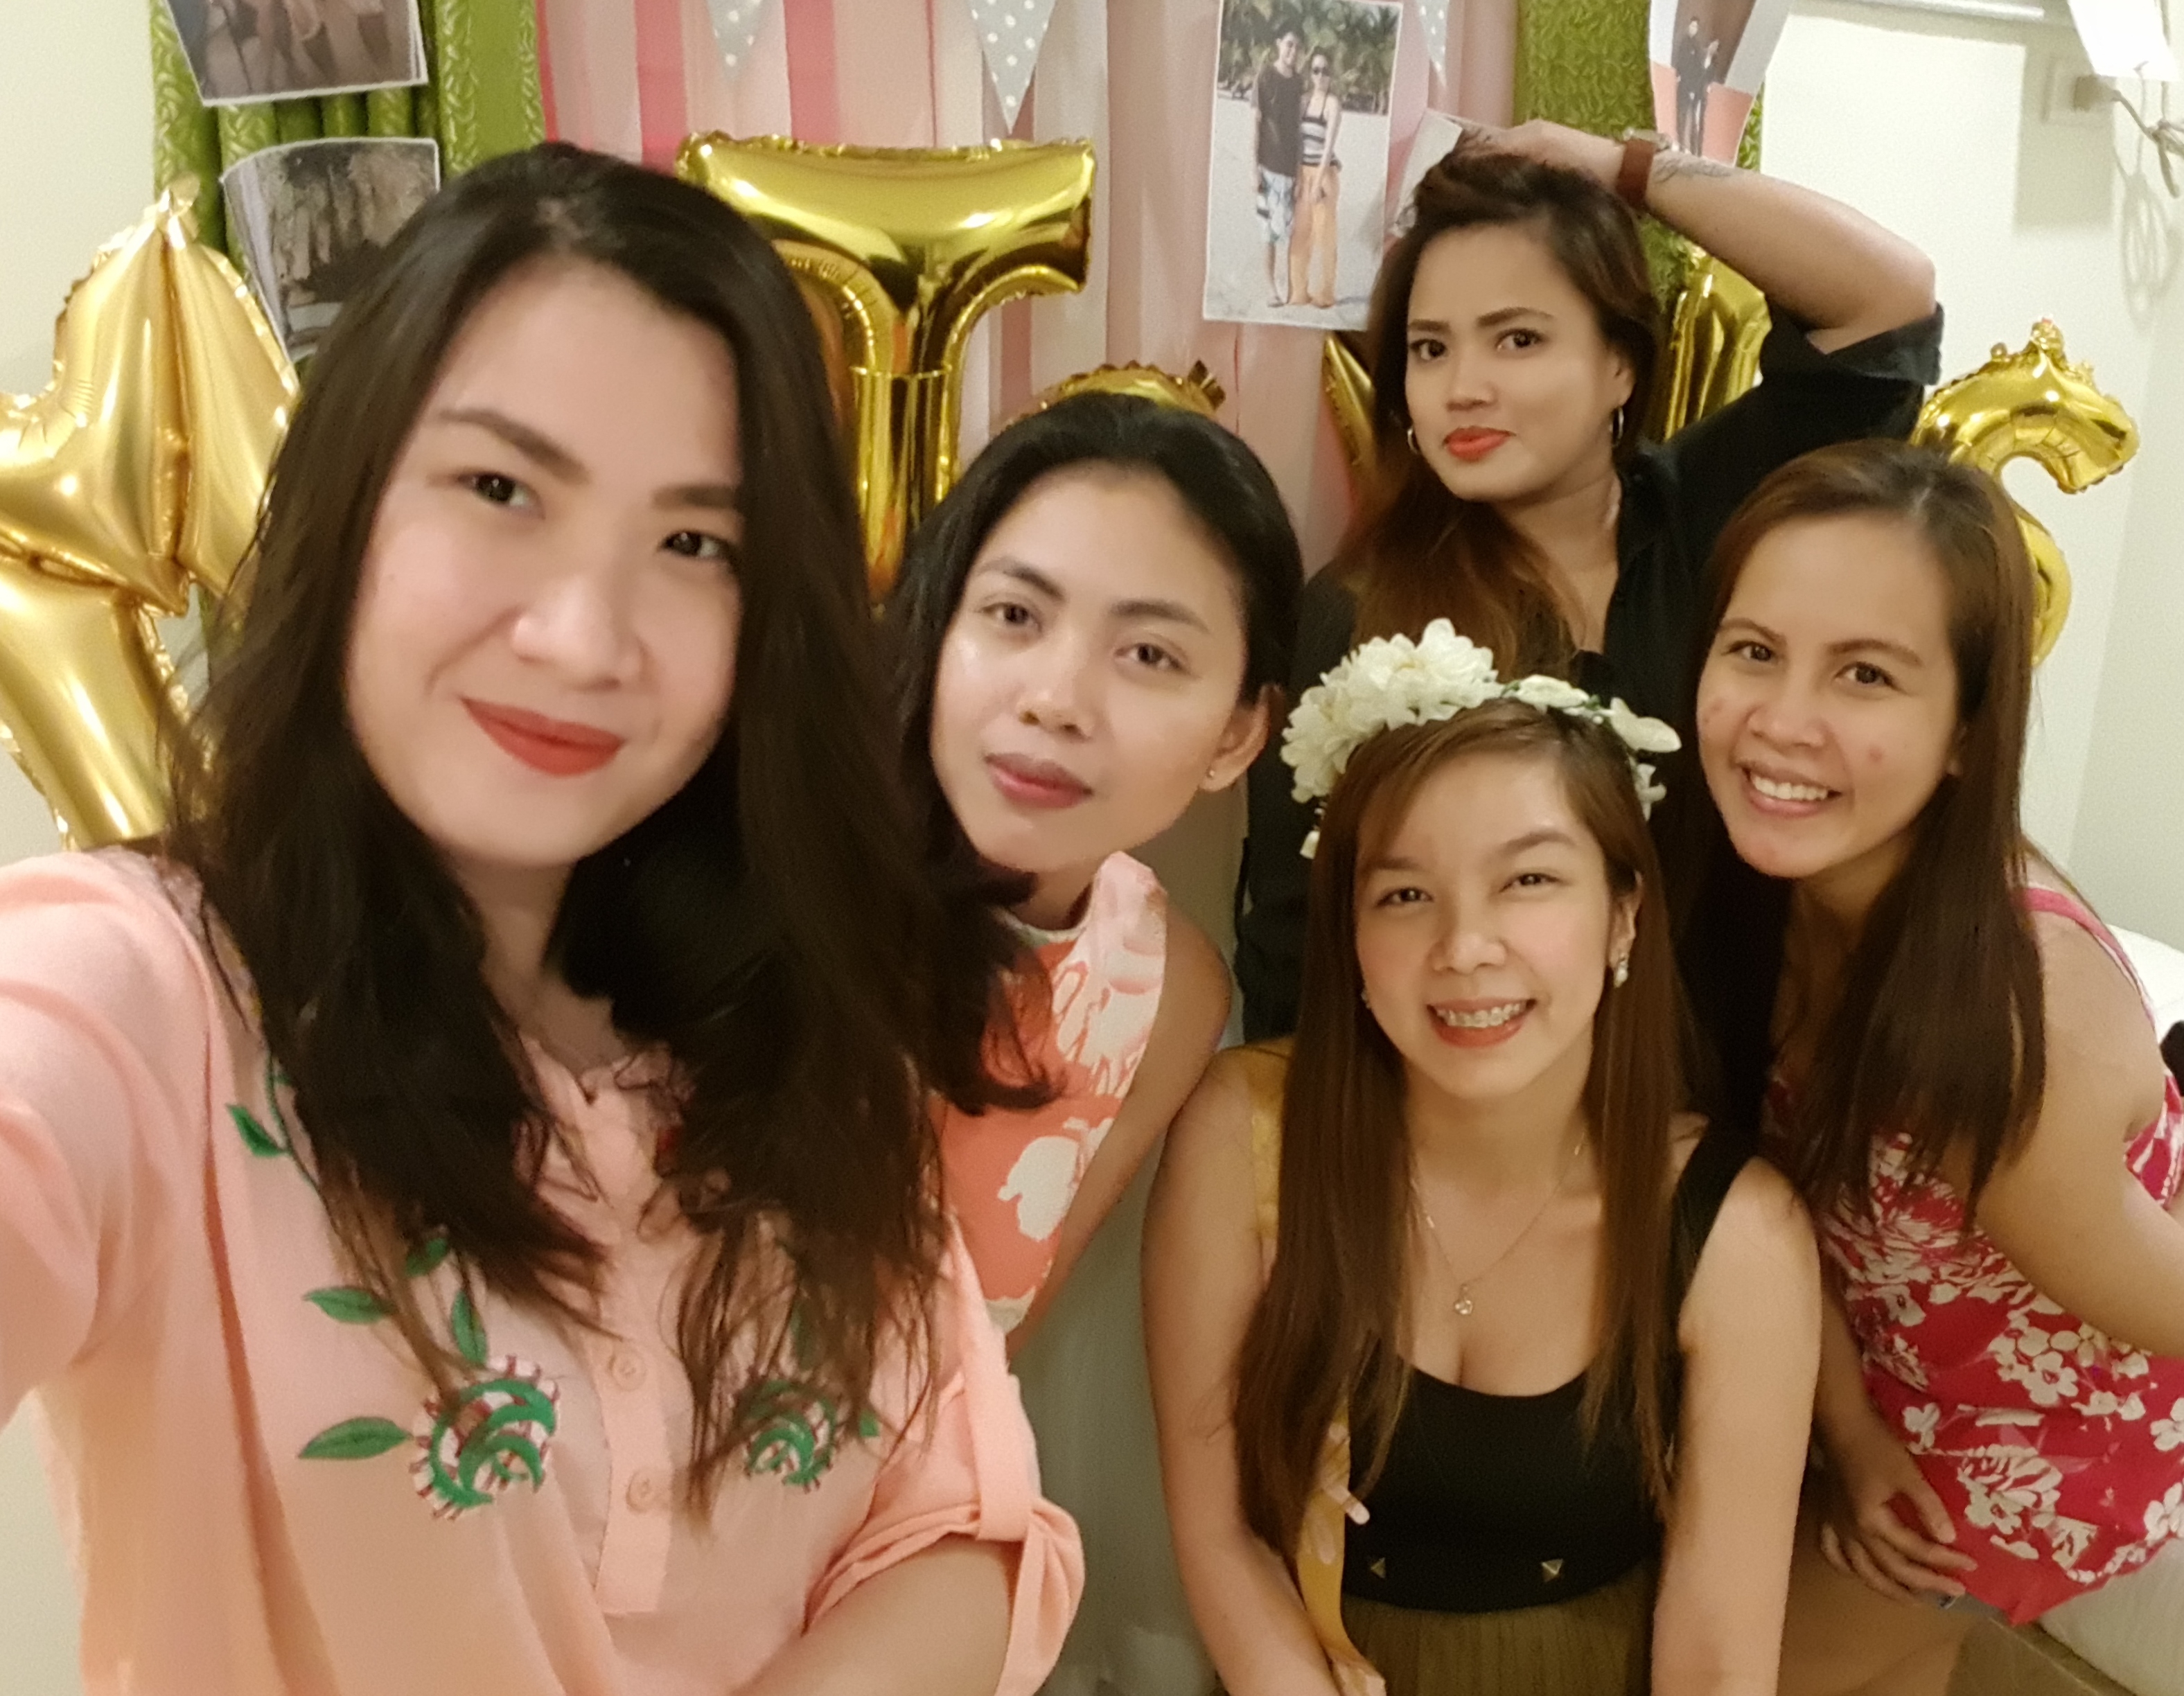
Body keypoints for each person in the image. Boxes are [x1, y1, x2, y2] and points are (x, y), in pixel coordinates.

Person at [0, 143, 1079, 1694]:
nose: (582, 637)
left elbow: (971, 1528)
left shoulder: (792, 1030)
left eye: (694, 543)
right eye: (501, 489)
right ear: (347, 506)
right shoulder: (146, 998)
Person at [1147, 622, 1821, 1695]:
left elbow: (1717, 1655)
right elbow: (1218, 1530)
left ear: (1624, 917)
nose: (1465, 948)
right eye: (1406, 895)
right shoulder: (1244, 1134)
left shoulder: (1738, 1234)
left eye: (1529, 881)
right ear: (1350, 934)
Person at [1235, 123, 1940, 1041]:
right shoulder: (1359, 611)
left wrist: (1627, 169)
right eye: (1430, 349)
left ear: (1619, 364)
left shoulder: (1716, 515)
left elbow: (1886, 300)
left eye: (1517, 339)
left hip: (1731, 1084)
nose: (1462, 387)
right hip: (1477, 1091)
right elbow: (1295, 950)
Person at [1678, 441, 2184, 1694]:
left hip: (2058, 1432)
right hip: (1885, 1366)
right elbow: (1770, 1195)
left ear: (1965, 730)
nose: (1782, 720)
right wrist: (1849, 1429)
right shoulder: (1757, 889)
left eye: (1865, 674)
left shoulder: (2008, 1019)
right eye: (1754, 650)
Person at [885, 391, 1298, 1695]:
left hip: (889, 1571)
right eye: (1014, 616)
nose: (1056, 699)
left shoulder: (1163, 991)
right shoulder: (765, 892)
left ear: (1239, 733)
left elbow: (978, 1357)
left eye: (1151, 654)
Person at [1251, 25, 1306, 310]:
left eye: (1297, 47)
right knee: (1269, 233)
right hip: (1267, 165)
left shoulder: (1298, 82)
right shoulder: (1265, 76)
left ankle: (1290, 286)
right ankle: (1271, 287)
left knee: (1290, 231)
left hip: (1289, 169)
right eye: (1289, 45)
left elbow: (1299, 130)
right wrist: (1253, 169)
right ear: (1278, 44)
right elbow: (1255, 124)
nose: (1292, 51)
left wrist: (1299, 173)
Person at [1289, 47, 1344, 311]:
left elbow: (1328, 146)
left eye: (1325, 71)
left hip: (1324, 175)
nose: (1320, 76)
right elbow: (1296, 144)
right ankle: (1299, 291)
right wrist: (1299, 180)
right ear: (1310, 74)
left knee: (1325, 236)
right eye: (1316, 70)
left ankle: (1326, 292)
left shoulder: (1332, 104)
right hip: (1303, 172)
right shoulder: (1303, 102)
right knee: (1301, 234)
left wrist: (1318, 183)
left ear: (1331, 75)